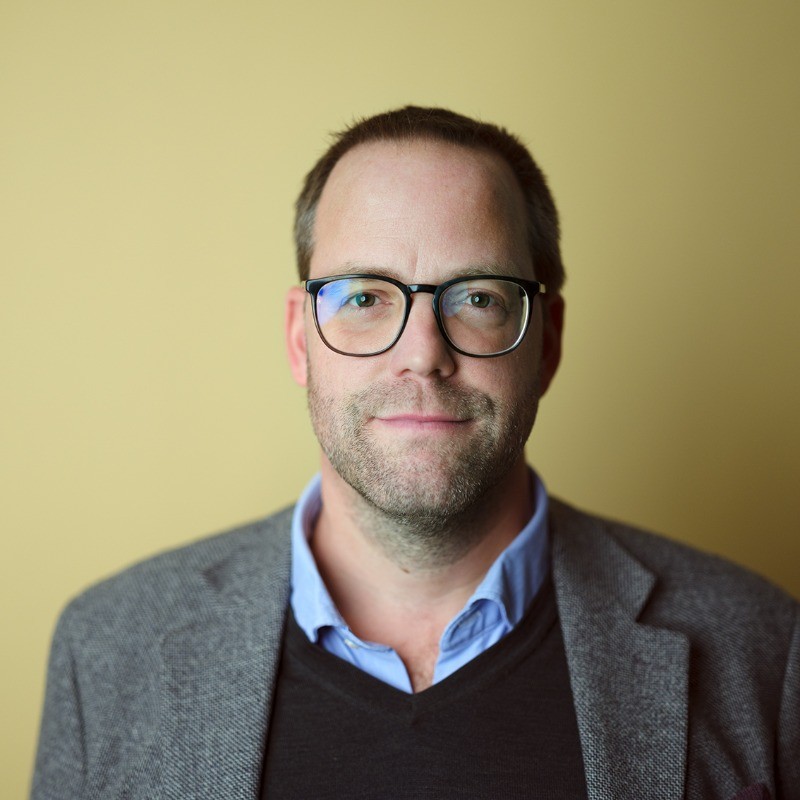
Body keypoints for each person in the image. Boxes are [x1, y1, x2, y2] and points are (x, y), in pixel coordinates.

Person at [32, 107, 798, 800]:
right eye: (365, 297)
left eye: (478, 297)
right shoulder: (106, 649)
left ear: (548, 342)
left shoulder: (762, 648)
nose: (423, 355)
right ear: (300, 340)